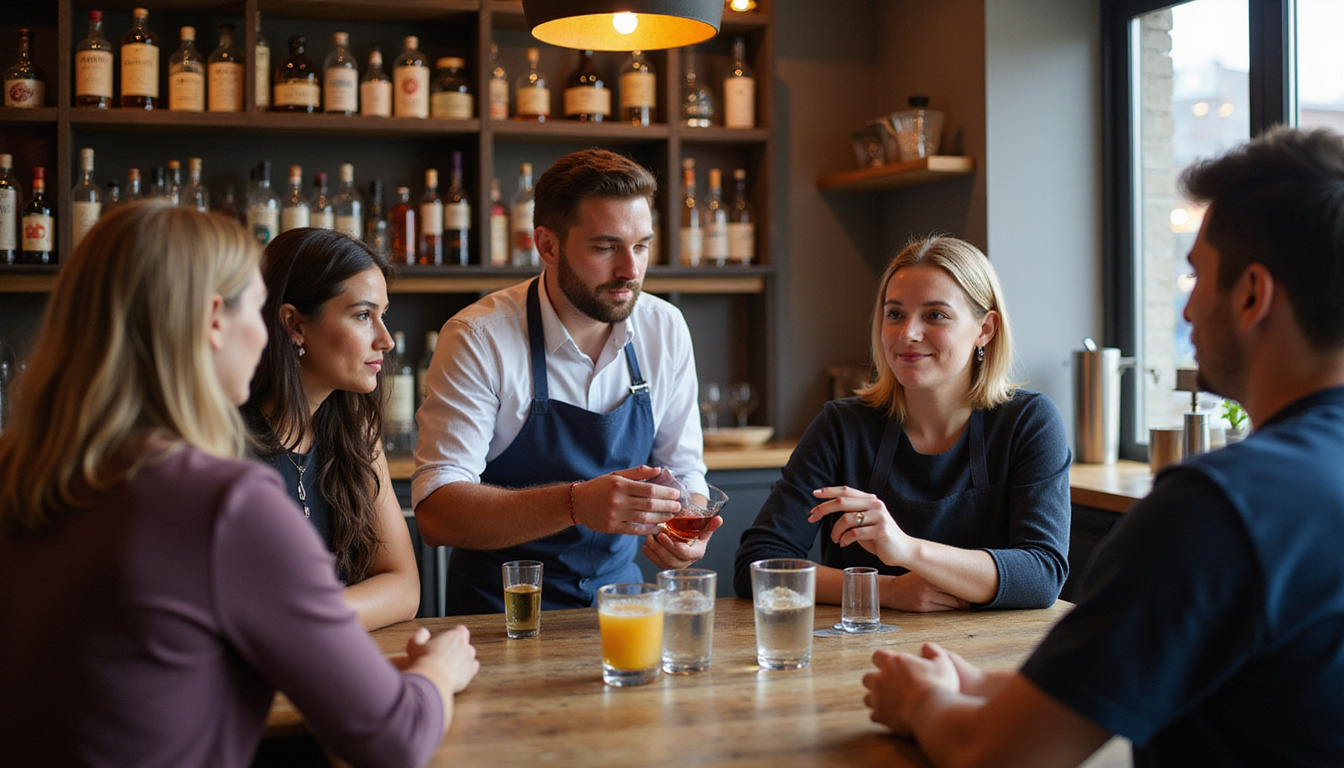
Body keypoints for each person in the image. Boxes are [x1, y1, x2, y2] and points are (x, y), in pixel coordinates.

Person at [862, 126, 1344, 766]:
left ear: (1253, 294)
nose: (1189, 310)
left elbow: (998, 754)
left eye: (1196, 276)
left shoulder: (1218, 507)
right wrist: (978, 684)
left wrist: (919, 700)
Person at [0, 201, 478, 767]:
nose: (264, 334)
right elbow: (394, 738)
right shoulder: (222, 503)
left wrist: (305, 641)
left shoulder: (23, 468)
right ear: (213, 321)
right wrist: (437, 671)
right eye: (258, 307)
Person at [413, 148, 716, 614]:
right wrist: (575, 503)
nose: (630, 271)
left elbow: (685, 470)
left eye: (640, 246)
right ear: (547, 245)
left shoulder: (665, 328)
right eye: (605, 247)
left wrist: (685, 526)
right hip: (500, 616)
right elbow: (437, 513)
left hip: (621, 606)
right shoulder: (478, 338)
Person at [734, 235, 1070, 611]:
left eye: (935, 315)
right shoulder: (841, 428)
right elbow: (757, 566)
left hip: (991, 658)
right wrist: (887, 592)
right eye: (895, 314)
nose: (908, 333)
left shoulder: (1030, 422)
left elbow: (1042, 575)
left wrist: (907, 550)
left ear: (985, 330)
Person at [243, 227, 420, 631]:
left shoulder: (356, 431)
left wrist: (304, 618)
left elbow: (405, 588)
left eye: (383, 315)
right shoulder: (222, 441)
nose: (386, 340)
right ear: (294, 324)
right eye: (362, 315)